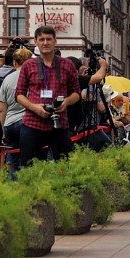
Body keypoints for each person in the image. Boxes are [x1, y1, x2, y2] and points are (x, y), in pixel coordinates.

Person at [14, 26, 81, 167]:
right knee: (29, 169)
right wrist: (35, 108)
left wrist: (66, 102)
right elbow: (19, 95)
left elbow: (76, 93)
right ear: (36, 42)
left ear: (55, 41)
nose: (45, 43)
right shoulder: (28, 65)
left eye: (49, 39)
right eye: (42, 39)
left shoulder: (67, 65)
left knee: (65, 167)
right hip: (33, 123)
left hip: (59, 123)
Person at [0, 47, 33, 179]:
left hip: (10, 124)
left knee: (13, 162)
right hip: (28, 123)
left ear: (15, 62)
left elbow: (2, 109)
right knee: (30, 162)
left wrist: (4, 132)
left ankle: (12, 189)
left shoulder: (7, 79)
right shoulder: (33, 78)